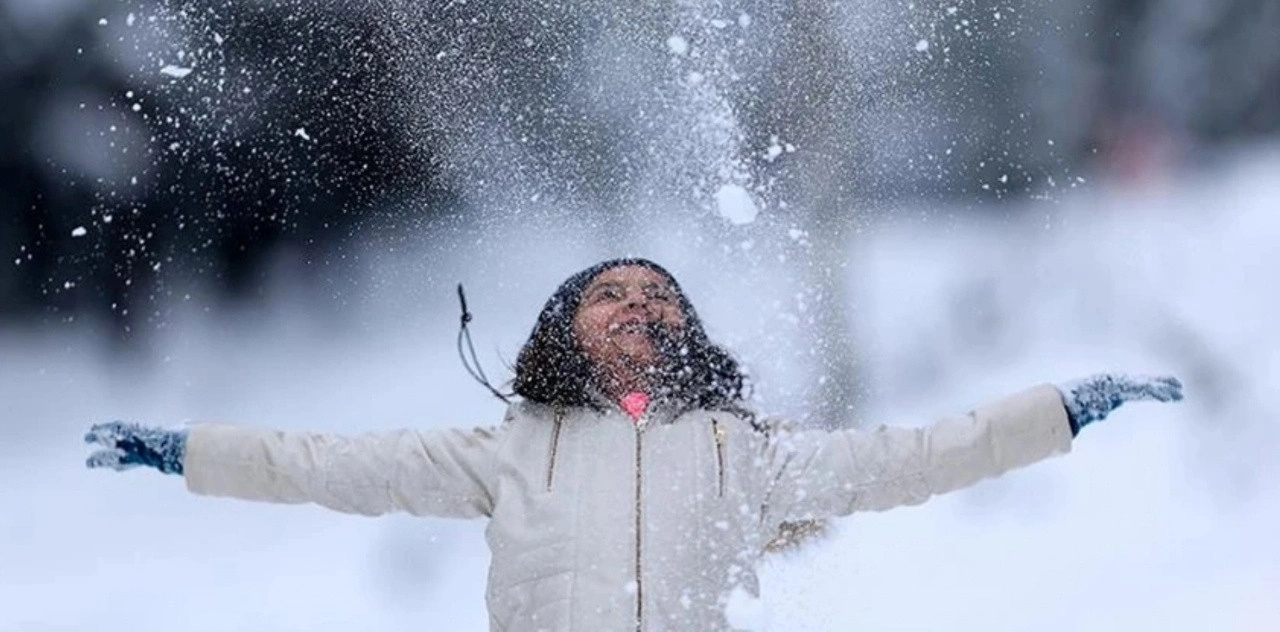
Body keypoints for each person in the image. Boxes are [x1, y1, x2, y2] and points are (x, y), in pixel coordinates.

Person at [85, 258, 1183, 631]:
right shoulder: (506, 449)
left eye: (657, 295)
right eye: (607, 294)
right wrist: (186, 451)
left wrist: (1061, 410)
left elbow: (918, 454)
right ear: (563, 329)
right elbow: (322, 464)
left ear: (686, 332)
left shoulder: (744, 455)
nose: (635, 306)